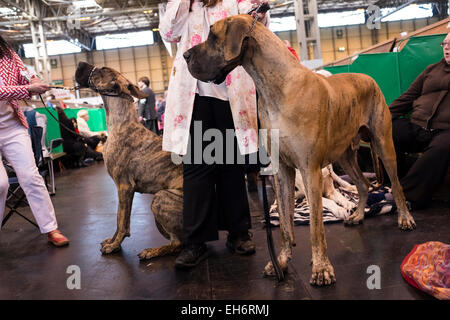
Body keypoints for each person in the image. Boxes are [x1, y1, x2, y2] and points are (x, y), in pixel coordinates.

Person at [159, 0, 269, 269]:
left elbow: (258, 27)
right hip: (194, 94)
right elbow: (169, 33)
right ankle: (195, 241)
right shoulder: (183, 3)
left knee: (231, 166)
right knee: (197, 169)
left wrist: (260, 12)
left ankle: (239, 233)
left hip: (231, 91)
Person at [0, 35, 69, 246]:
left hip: (12, 125)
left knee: (31, 177)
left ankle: (51, 229)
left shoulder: (7, 52)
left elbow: (25, 71)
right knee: (0, 185)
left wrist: (34, 79)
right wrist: (28, 89)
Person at [374, 33, 450, 210]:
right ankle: (391, 185)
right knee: (389, 130)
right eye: (445, 44)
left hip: (446, 131)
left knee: (443, 147)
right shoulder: (431, 70)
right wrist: (380, 118)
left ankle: (405, 196)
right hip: (418, 125)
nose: (447, 48)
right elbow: (408, 97)